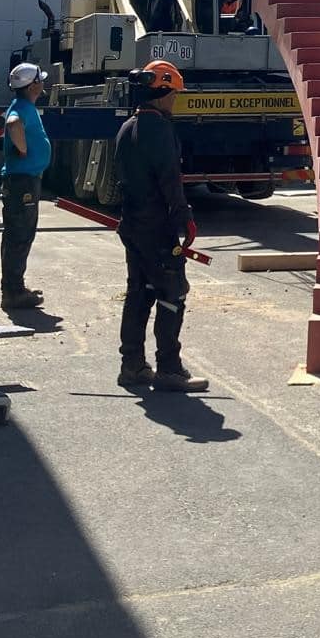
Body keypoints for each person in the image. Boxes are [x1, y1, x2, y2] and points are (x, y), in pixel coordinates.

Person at [115, 60, 208, 393]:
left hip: (132, 225)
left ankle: (132, 365)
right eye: (174, 95)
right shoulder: (160, 130)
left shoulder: (127, 128)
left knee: (139, 293)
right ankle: (169, 369)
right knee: (173, 292)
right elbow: (170, 179)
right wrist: (184, 218)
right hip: (157, 228)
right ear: (163, 92)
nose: (175, 101)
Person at [0, 62, 52, 310]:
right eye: (40, 80)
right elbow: (13, 124)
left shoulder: (22, 105)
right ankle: (14, 292)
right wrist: (22, 149)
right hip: (23, 183)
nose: (43, 83)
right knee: (20, 236)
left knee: (16, 235)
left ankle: (13, 287)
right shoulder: (22, 108)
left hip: (21, 181)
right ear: (33, 85)